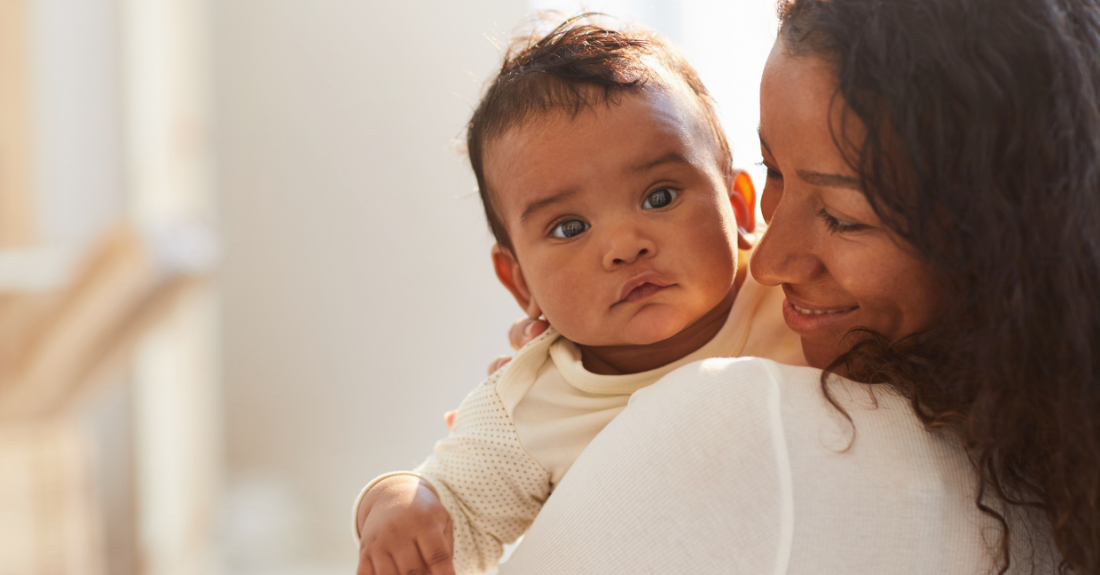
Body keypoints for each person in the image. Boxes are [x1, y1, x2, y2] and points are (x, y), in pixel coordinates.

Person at [493, 0, 1100, 573]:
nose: (765, 261)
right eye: (774, 171)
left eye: (843, 215)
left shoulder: (733, 418)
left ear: (1007, 240)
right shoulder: (1054, 464)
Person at [353, 18, 804, 575]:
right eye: (569, 228)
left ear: (736, 207)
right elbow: (458, 514)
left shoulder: (793, 291)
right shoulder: (530, 401)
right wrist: (397, 502)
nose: (624, 245)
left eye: (659, 196)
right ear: (520, 283)